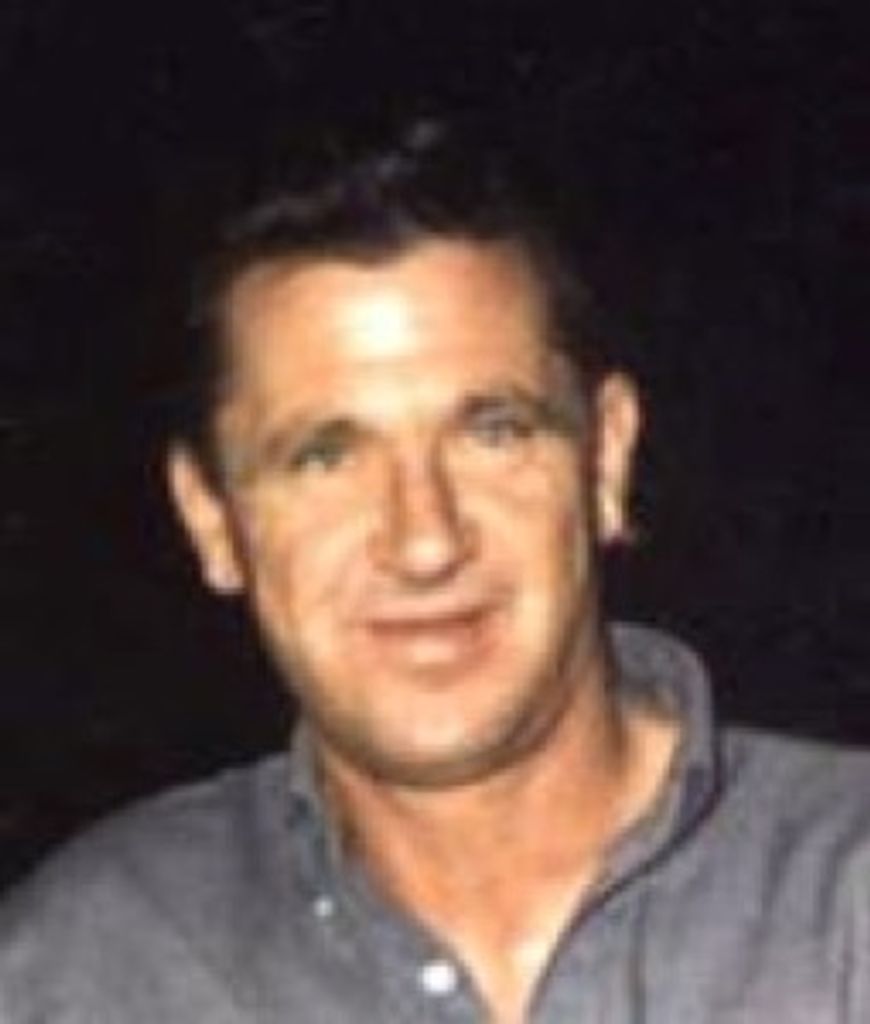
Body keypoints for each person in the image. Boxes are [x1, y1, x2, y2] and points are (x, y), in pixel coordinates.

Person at [0, 112, 867, 1023]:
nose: (425, 542)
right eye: (326, 458)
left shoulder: (849, 898)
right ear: (210, 517)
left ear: (606, 460)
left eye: (493, 433)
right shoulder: (84, 973)